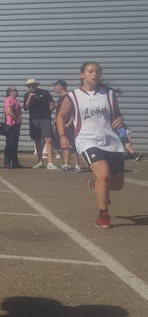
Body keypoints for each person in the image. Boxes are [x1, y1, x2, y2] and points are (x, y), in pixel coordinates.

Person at [56, 62, 127, 228]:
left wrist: (120, 119)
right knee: (103, 173)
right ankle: (103, 215)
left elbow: (117, 114)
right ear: (82, 75)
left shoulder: (109, 94)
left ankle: (96, 185)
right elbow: (60, 116)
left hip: (111, 141)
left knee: (117, 184)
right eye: (91, 71)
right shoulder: (73, 96)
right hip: (87, 139)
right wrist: (62, 135)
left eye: (97, 72)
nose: (94, 74)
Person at [24, 78, 58, 169]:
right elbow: (26, 108)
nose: (31, 87)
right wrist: (30, 97)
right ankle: (40, 162)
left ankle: (50, 163)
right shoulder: (27, 95)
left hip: (45, 119)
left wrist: (47, 112)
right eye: (29, 86)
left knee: (48, 139)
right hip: (33, 120)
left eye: (33, 85)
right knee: (37, 140)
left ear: (36, 85)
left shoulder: (45, 92)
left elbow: (52, 104)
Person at [53, 80, 81, 171]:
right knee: (64, 144)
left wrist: (69, 122)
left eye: (56, 86)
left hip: (69, 125)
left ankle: (77, 165)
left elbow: (74, 111)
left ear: (61, 86)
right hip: (61, 126)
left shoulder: (69, 97)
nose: (55, 88)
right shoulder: (60, 98)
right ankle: (66, 164)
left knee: (73, 145)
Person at [2, 87, 23, 169]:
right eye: (15, 90)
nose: (17, 92)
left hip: (16, 125)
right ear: (10, 92)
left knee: (15, 144)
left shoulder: (16, 100)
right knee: (10, 144)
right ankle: (7, 162)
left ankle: (15, 162)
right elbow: (9, 111)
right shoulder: (8, 99)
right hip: (10, 125)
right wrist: (16, 119)